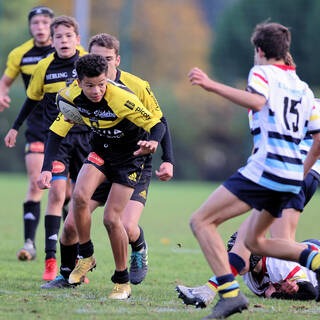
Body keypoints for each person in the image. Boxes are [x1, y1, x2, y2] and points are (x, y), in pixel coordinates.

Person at [187, 22, 320, 319]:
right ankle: (316, 259)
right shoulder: (303, 89)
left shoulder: (261, 72)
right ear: (285, 50)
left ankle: (229, 295)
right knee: (256, 242)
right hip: (290, 177)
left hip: (266, 169)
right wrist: (301, 171)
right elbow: (318, 139)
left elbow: (257, 100)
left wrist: (212, 85)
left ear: (259, 50)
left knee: (201, 221)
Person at [40, 33, 174, 294]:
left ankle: (122, 280)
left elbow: (158, 123)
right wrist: (47, 167)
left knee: (115, 221)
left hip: (130, 160)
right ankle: (82, 260)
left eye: (101, 84)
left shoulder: (124, 95)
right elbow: (56, 132)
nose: (97, 90)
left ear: (115, 62)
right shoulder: (70, 96)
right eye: (90, 85)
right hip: (101, 153)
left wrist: (159, 149)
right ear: (80, 80)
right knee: (74, 208)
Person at [4, 16, 88, 281]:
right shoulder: (44, 67)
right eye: (58, 37)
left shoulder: (87, 63)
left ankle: (79, 262)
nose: (63, 41)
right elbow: (31, 101)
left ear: (77, 39)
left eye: (68, 36)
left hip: (87, 141)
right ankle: (51, 261)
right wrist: (15, 127)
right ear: (52, 41)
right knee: (55, 195)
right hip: (58, 141)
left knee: (80, 201)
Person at [0, 6, 55, 261]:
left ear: (52, 25)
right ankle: (29, 244)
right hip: (35, 126)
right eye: (36, 23)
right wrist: (2, 93)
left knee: (64, 190)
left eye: (45, 22)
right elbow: (5, 82)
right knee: (36, 184)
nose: (40, 27)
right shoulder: (20, 54)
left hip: (67, 128)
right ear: (30, 26)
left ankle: (66, 248)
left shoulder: (67, 50)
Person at [177, 234, 320, 308]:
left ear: (255, 253)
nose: (235, 258)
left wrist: (276, 295)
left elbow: (310, 293)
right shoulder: (248, 277)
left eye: (239, 253)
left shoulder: (276, 262)